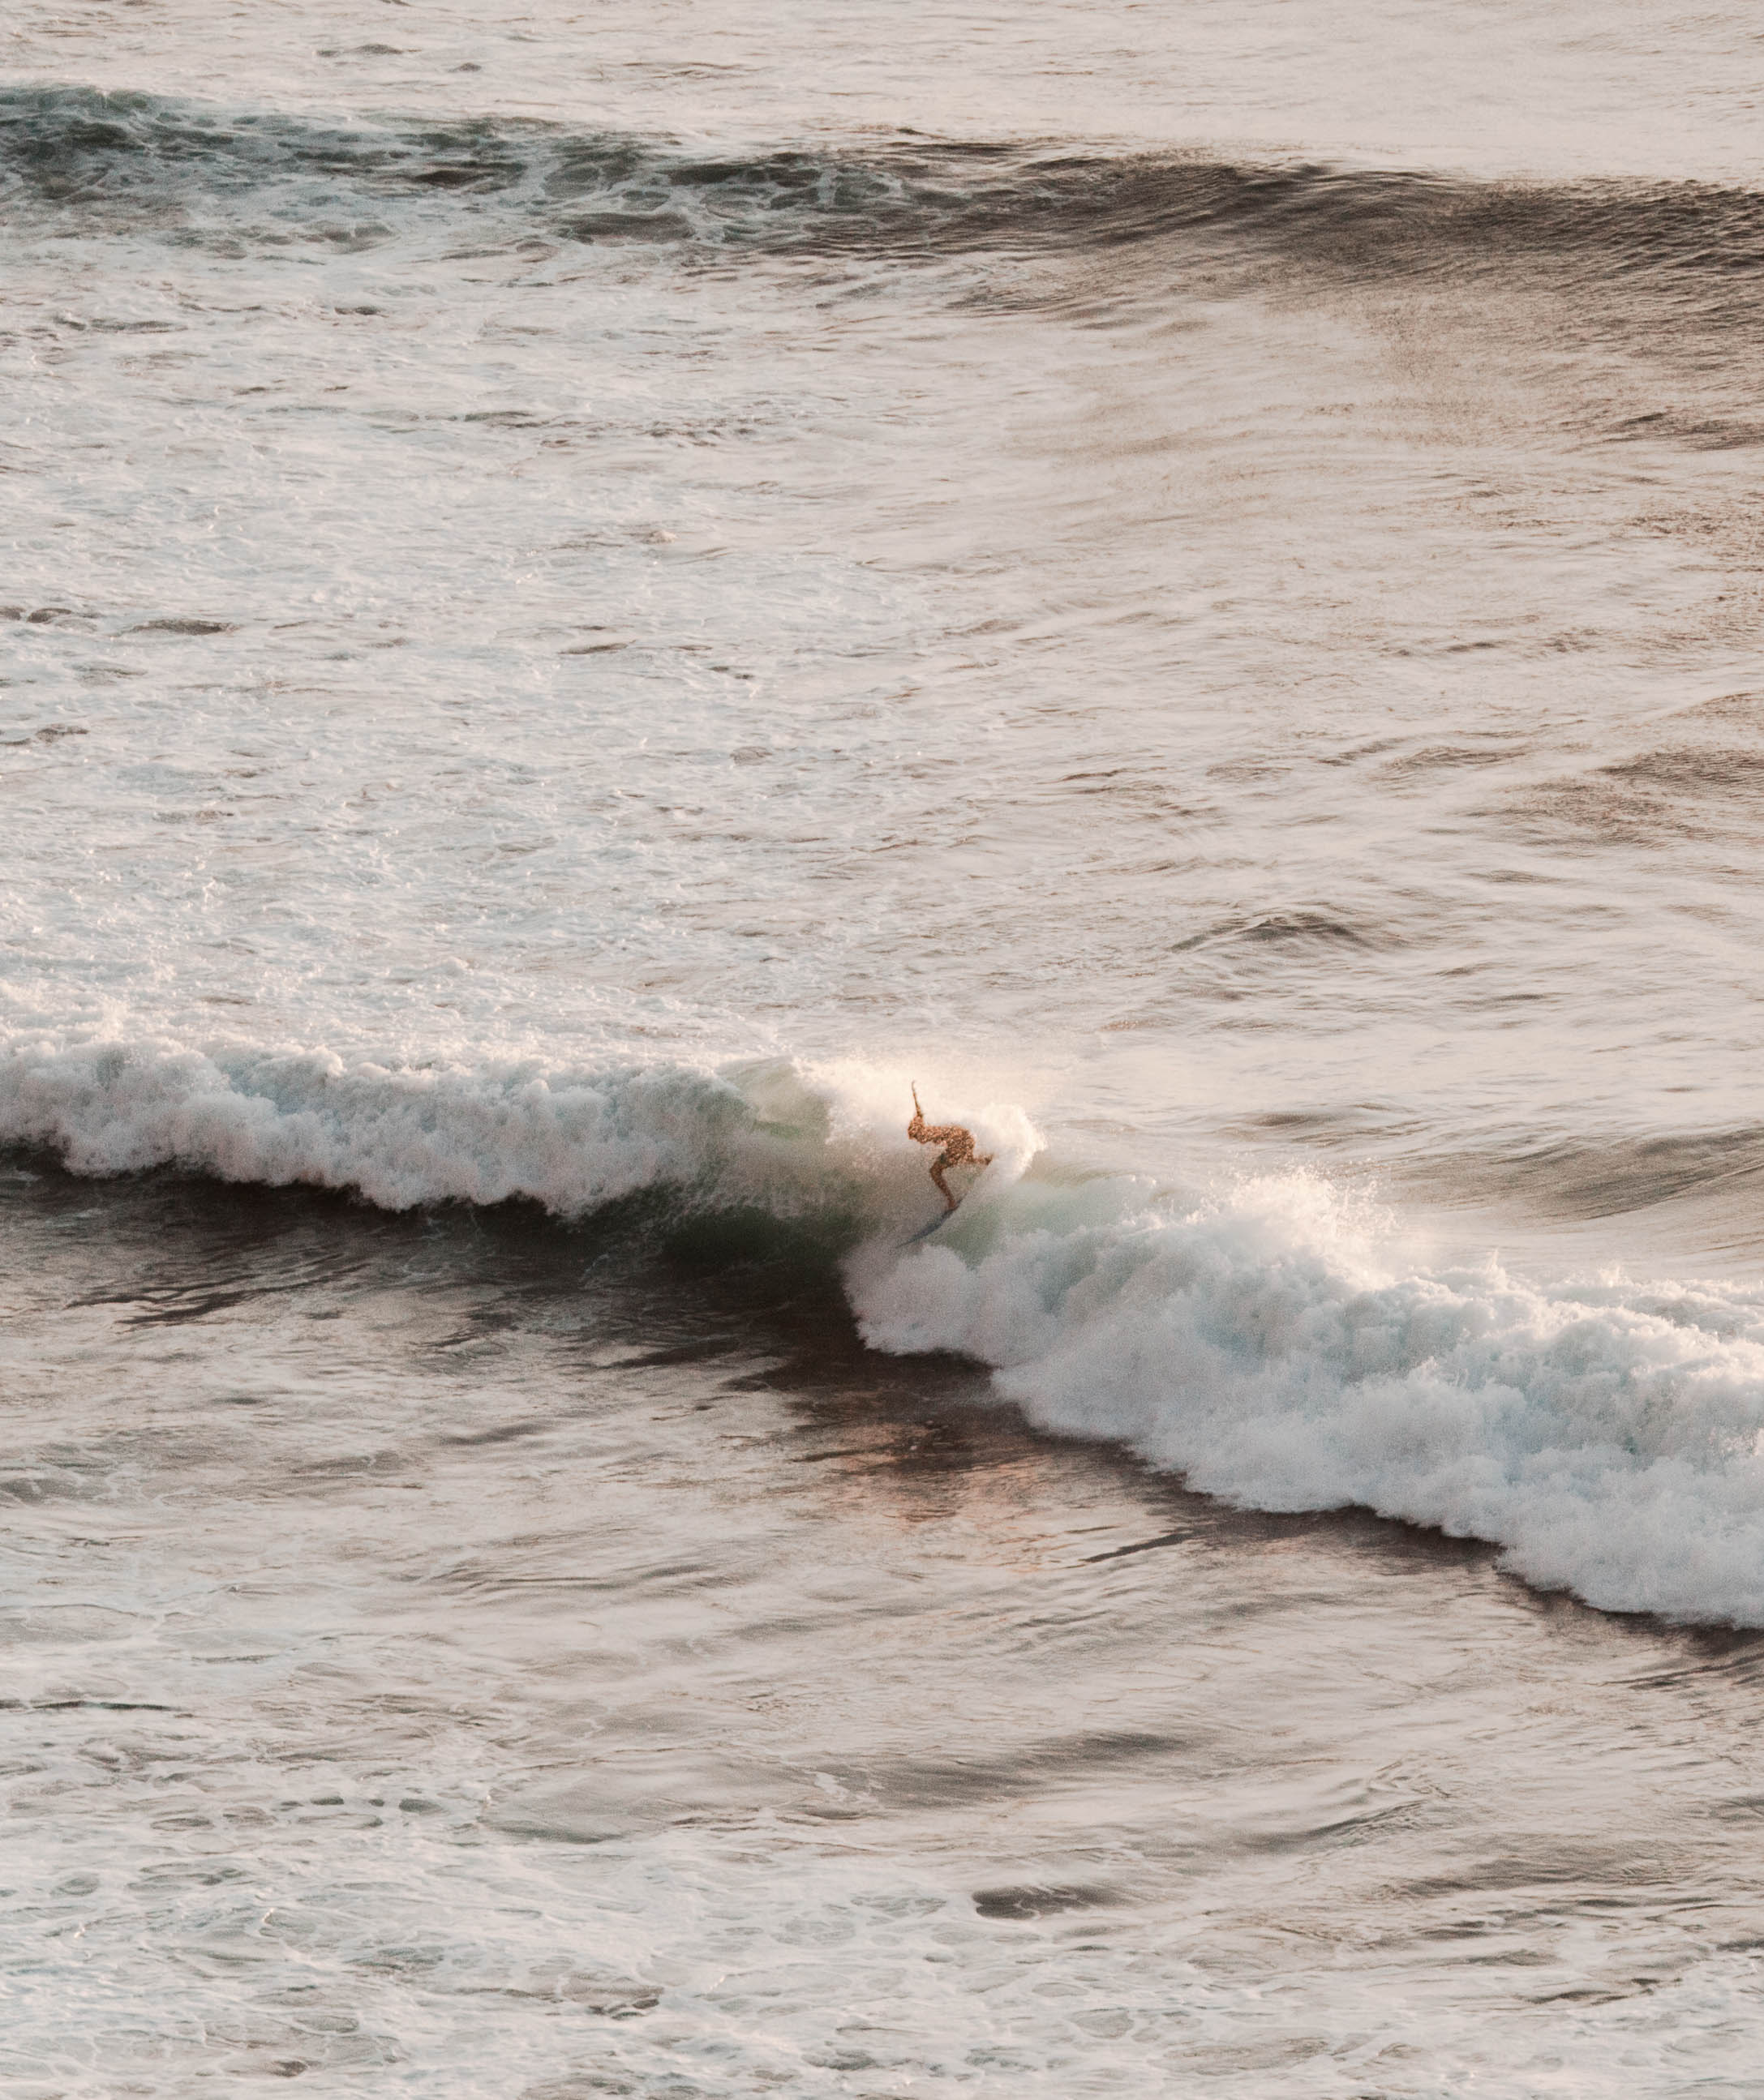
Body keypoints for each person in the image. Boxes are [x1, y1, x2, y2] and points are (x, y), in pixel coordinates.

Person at [907, 1084, 993, 1212]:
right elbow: (920, 1113)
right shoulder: (927, 1129)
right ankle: (989, 1161)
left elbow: (946, 1137)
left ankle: (951, 1202)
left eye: (915, 1137)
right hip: (966, 1136)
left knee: (935, 1172)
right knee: (966, 1159)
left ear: (918, 1132)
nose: (916, 1140)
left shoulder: (926, 1134)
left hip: (960, 1141)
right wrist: (914, 1095)